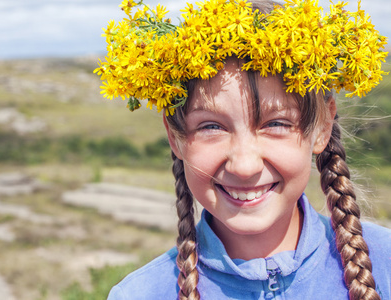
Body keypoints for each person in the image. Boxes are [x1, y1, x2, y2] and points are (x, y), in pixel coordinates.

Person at [95, 0, 391, 299]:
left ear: (322, 127)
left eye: (276, 123)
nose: (244, 165)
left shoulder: (385, 263)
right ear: (176, 137)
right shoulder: (139, 294)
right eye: (211, 127)